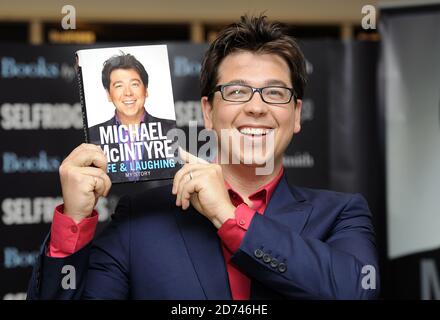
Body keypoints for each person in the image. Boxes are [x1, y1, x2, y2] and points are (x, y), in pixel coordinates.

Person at [27, 15, 379, 299]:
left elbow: (358, 291)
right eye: (237, 91)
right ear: (208, 112)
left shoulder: (342, 214)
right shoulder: (140, 221)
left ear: (296, 114)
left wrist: (228, 215)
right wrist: (72, 222)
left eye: (274, 93)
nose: (256, 107)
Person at [88, 53, 177, 181]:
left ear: (146, 90)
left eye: (134, 84)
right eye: (119, 86)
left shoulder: (172, 130)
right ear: (108, 94)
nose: (128, 93)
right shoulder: (93, 136)